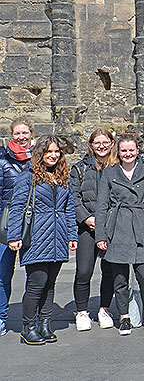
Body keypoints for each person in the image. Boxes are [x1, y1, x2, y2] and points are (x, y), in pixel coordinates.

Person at [7, 135, 77, 345]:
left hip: (58, 236)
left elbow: (69, 208)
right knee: (37, 283)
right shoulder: (28, 176)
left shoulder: (63, 176)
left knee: (50, 284)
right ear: (40, 153)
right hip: (36, 236)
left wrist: (72, 234)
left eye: (56, 152)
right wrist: (14, 236)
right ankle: (28, 327)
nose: (53, 155)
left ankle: (45, 323)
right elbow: (17, 207)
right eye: (48, 152)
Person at [95, 134, 144, 336]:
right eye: (124, 150)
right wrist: (101, 235)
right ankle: (124, 316)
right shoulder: (109, 173)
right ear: (118, 152)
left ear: (137, 151)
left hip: (141, 225)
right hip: (118, 227)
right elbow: (101, 207)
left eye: (131, 150)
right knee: (120, 278)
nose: (128, 154)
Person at [70, 129, 117, 331]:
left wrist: (109, 221)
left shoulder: (118, 167)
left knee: (110, 271)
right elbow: (73, 197)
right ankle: (81, 312)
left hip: (111, 227)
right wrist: (87, 218)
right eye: (97, 142)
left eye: (105, 142)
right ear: (91, 144)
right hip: (86, 228)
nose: (101, 146)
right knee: (84, 271)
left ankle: (104, 309)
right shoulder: (79, 168)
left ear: (112, 143)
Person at [0, 118, 32, 336]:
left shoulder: (41, 157)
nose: (21, 137)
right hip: (6, 223)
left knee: (36, 274)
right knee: (3, 274)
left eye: (25, 133)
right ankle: (1, 317)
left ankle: (33, 318)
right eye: (17, 133)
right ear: (11, 135)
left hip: (33, 222)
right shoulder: (2, 161)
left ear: (31, 133)